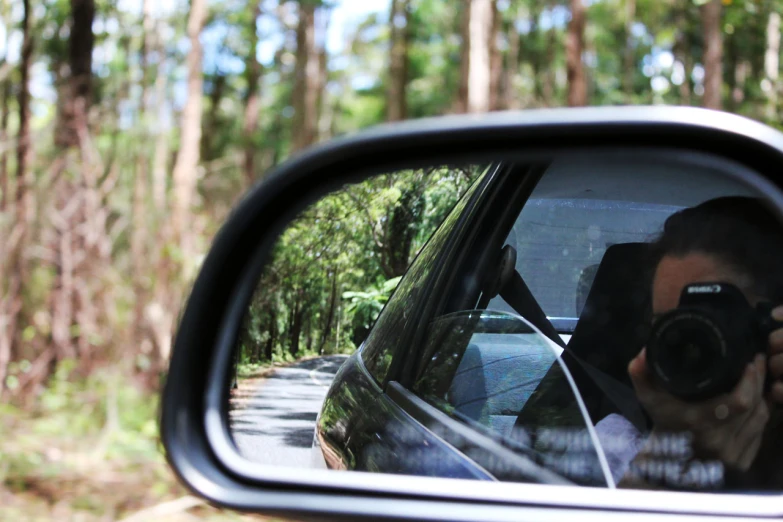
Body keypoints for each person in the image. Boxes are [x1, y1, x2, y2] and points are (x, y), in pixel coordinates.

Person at [596, 196, 783, 491]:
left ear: (772, 327)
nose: (689, 348)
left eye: (708, 322)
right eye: (670, 327)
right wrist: (663, 462)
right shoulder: (616, 444)